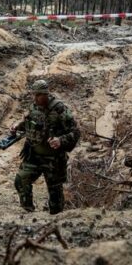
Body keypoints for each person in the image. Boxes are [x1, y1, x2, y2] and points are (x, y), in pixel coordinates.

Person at [10, 80, 80, 214]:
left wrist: (61, 140)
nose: (35, 98)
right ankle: (28, 212)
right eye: (33, 95)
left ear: (46, 94)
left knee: (55, 192)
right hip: (34, 155)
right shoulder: (34, 106)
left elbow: (76, 132)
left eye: (38, 95)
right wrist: (17, 126)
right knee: (21, 180)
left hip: (53, 159)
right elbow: (29, 123)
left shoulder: (59, 109)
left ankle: (56, 218)